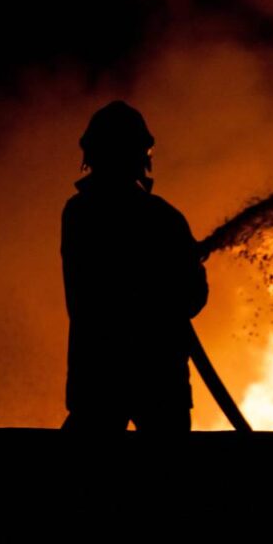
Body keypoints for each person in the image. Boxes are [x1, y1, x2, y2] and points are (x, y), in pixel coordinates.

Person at [61, 100, 207, 432]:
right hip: (158, 380)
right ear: (142, 156)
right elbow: (191, 301)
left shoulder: (78, 213)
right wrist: (191, 267)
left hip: (97, 377)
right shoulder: (163, 218)